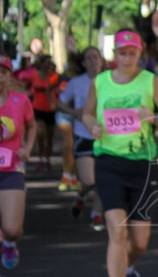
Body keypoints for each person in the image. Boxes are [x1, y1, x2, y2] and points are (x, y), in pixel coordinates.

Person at [82, 30, 158, 277]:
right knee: (117, 230)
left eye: (132, 53)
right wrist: (92, 127)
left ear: (140, 54)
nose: (126, 58)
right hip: (109, 162)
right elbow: (86, 114)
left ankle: (126, 266)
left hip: (142, 164)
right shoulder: (100, 82)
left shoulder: (151, 81)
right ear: (115, 55)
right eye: (121, 53)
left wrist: (154, 118)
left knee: (139, 242)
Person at [57, 46, 105, 231]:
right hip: (83, 135)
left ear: (101, 61)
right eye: (89, 58)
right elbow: (59, 102)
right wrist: (73, 112)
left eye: (95, 57)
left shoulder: (111, 82)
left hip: (106, 138)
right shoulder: (76, 83)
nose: (93, 61)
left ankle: (97, 214)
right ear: (84, 63)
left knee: (101, 179)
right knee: (89, 180)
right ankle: (81, 196)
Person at [0, 54, 37, 277]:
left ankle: (10, 242)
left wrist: (28, 147)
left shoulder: (20, 100)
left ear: (7, 75)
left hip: (12, 167)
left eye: (2, 71)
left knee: (12, 228)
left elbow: (32, 125)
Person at [29, 55, 59, 172]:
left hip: (50, 110)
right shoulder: (34, 75)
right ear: (41, 64)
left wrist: (54, 102)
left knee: (50, 137)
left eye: (50, 64)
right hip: (37, 108)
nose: (48, 66)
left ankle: (47, 159)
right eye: (47, 63)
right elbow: (27, 86)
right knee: (41, 134)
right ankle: (41, 159)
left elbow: (55, 90)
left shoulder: (54, 76)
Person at [56, 54, 81, 192]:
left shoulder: (85, 78)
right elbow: (59, 96)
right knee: (68, 145)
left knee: (76, 148)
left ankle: (74, 176)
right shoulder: (63, 77)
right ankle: (65, 176)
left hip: (80, 118)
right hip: (64, 115)